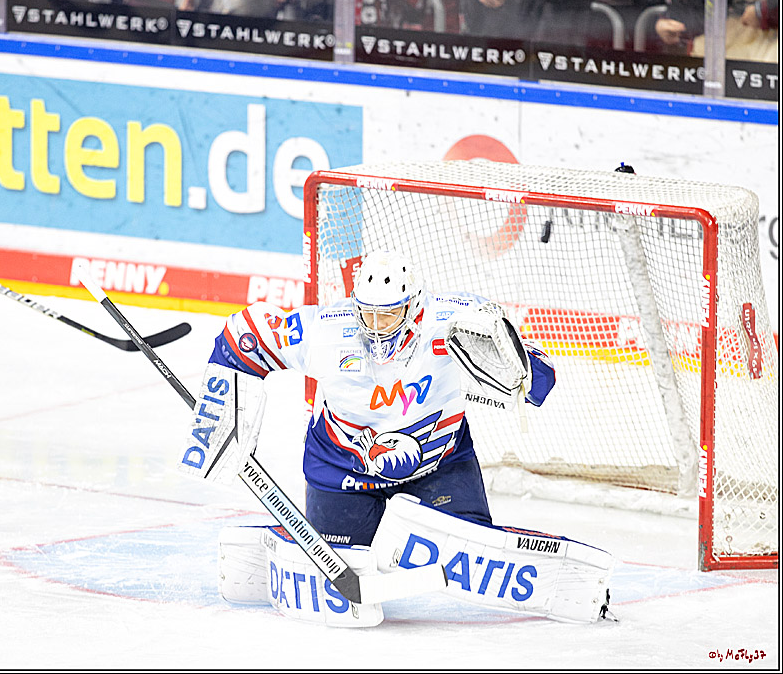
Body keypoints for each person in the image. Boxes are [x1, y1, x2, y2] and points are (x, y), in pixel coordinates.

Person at [182, 250, 613, 625]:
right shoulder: (327, 330)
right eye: (366, 313)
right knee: (341, 567)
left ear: (413, 306)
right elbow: (244, 335)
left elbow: (540, 382)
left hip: (438, 465)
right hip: (343, 472)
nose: (376, 326)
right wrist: (222, 418)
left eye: (388, 314)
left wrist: (520, 370)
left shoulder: (455, 320)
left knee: (470, 548)